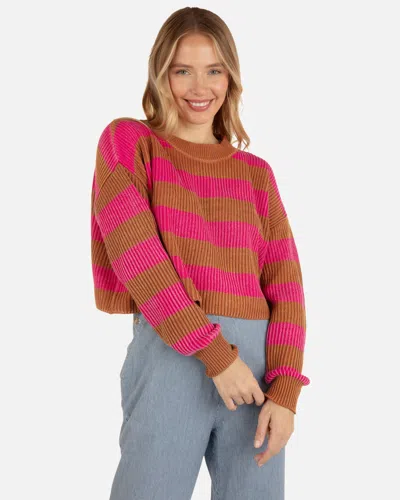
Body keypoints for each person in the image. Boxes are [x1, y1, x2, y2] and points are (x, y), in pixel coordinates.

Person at [90, 7, 310, 500]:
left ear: (231, 77)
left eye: (214, 70)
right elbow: (138, 258)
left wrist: (286, 389)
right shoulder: (130, 143)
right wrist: (215, 355)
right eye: (182, 71)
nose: (199, 87)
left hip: (257, 373)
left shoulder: (257, 174)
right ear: (160, 74)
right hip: (173, 354)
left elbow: (286, 286)